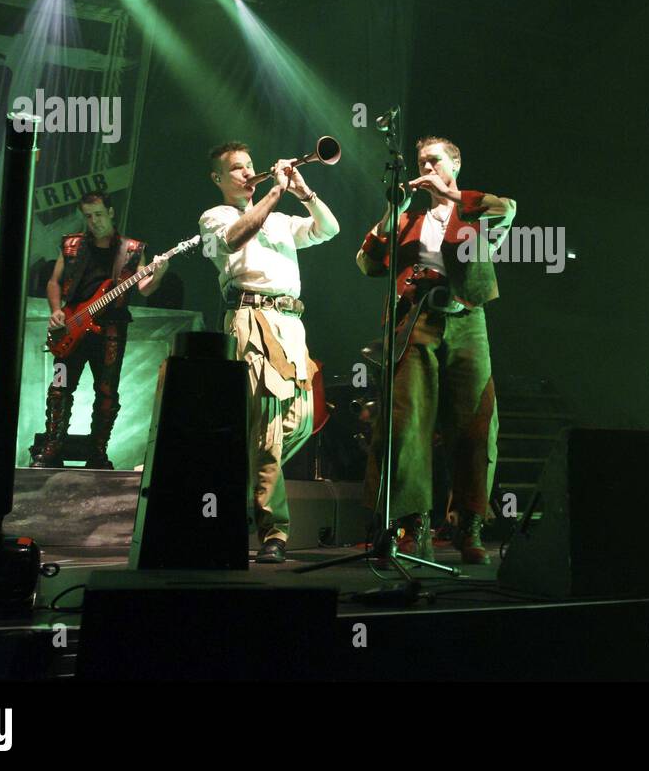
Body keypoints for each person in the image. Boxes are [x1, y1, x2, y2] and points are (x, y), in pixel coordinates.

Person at [357, 136, 515, 564]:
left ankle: (469, 524)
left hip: (466, 318)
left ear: (455, 165)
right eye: (422, 161)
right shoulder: (408, 221)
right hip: (417, 319)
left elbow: (508, 210)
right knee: (406, 423)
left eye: (435, 161)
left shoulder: (476, 209)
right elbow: (368, 262)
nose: (426, 167)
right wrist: (393, 210)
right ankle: (411, 522)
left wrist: (450, 195)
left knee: (475, 422)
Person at [199, 142, 339, 564]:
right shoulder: (217, 216)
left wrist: (303, 191)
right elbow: (234, 238)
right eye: (235, 169)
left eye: (249, 167)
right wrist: (274, 192)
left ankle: (237, 496)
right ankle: (273, 532)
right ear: (218, 179)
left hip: (291, 325)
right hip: (250, 319)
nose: (246, 174)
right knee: (268, 429)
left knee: (302, 421)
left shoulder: (279, 219)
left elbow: (329, 229)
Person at [34, 192, 168, 468]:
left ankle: (97, 453)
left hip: (111, 332)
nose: (94, 221)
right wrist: (56, 310)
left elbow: (144, 289)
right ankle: (51, 447)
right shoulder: (71, 245)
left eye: (99, 215)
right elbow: (54, 282)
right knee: (59, 387)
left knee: (107, 392)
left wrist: (160, 273)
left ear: (111, 213)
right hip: (70, 328)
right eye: (88, 216)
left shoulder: (132, 250)